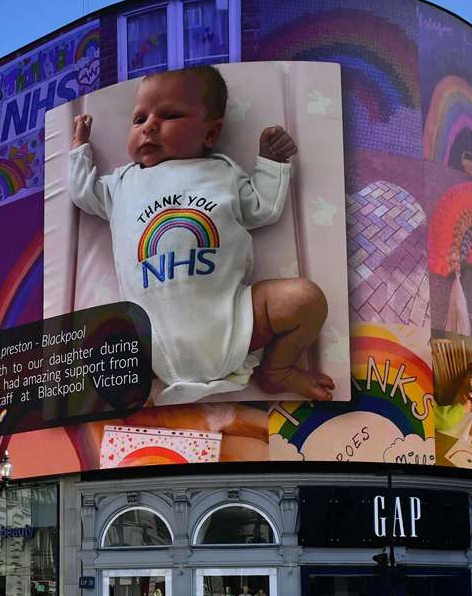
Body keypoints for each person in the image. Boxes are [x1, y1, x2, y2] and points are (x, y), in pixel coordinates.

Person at [68, 65, 334, 404]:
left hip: (235, 319)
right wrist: (79, 147)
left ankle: (278, 369)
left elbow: (262, 208)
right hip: (150, 338)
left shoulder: (221, 173)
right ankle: (141, 397)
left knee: (305, 299)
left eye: (170, 115)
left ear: (211, 134)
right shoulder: (122, 183)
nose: (149, 126)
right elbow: (82, 192)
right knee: (96, 343)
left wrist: (271, 162)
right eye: (139, 120)